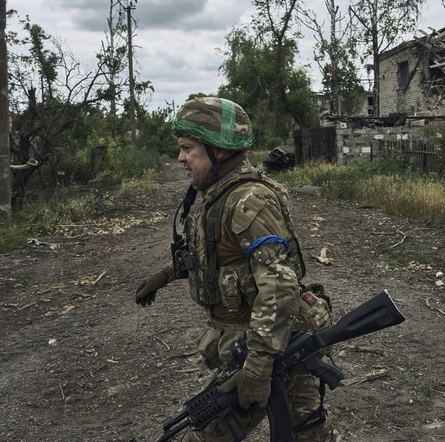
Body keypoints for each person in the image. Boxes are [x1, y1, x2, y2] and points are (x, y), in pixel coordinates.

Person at [135, 97, 339, 441]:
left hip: (274, 347)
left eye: (188, 149)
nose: (180, 158)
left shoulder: (248, 203)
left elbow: (280, 287)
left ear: (220, 151)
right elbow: (214, 256)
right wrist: (166, 274)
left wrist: (258, 370)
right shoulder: (218, 195)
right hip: (257, 343)